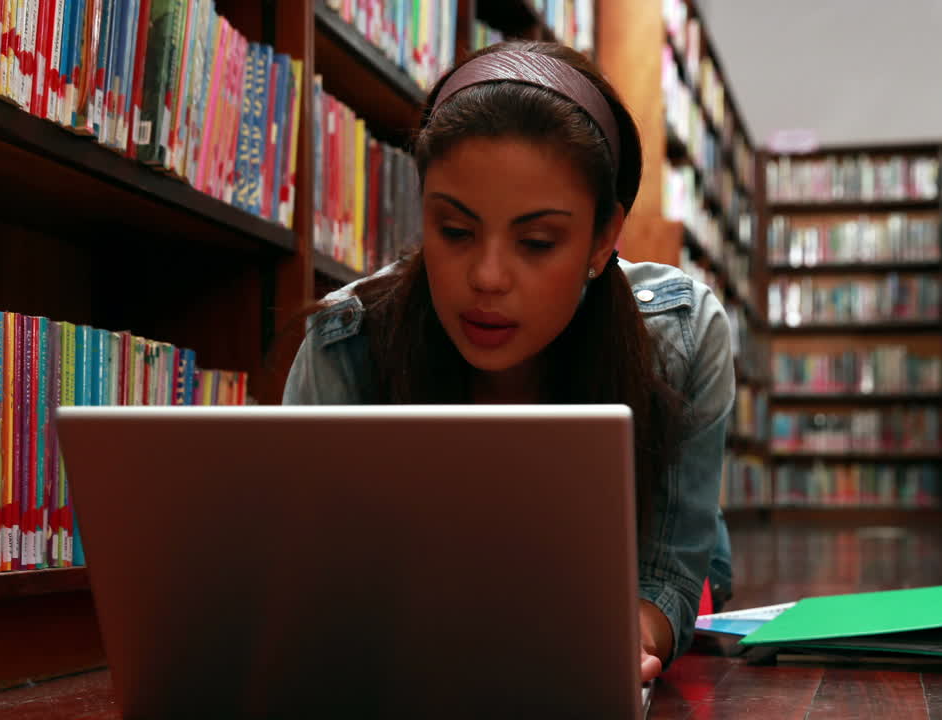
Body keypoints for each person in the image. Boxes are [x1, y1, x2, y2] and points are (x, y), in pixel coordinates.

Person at [282, 40, 735, 683]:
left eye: (537, 242)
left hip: (627, 576)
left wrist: (618, 639)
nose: (488, 277)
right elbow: (307, 578)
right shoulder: (347, 337)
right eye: (455, 231)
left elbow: (666, 576)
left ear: (603, 239)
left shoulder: (683, 335)